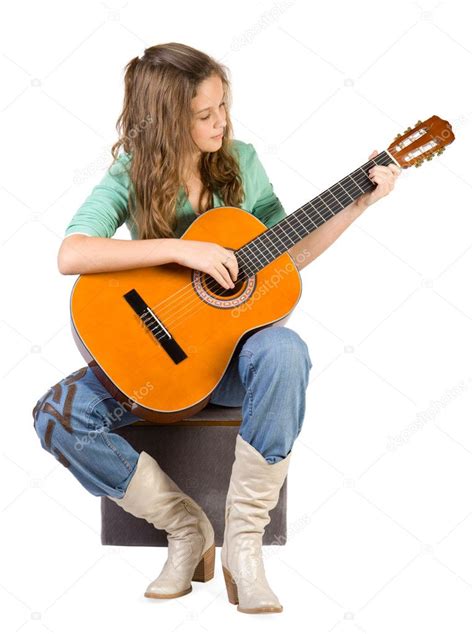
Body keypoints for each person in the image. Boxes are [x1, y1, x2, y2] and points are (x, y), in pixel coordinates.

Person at [32, 42, 400, 614]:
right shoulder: (132, 171)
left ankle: (244, 545)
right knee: (58, 416)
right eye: (205, 114)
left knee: (284, 349)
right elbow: (72, 253)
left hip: (231, 363)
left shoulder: (241, 162)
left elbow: (289, 256)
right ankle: (187, 529)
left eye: (222, 106)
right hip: (158, 369)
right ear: (167, 119)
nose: (220, 121)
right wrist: (187, 251)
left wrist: (358, 205)